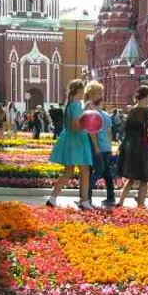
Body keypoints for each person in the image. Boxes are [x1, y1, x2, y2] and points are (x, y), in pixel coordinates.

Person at [46, 79, 93, 210]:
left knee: (68, 171)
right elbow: (75, 126)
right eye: (83, 90)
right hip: (77, 141)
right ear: (79, 90)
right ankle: (84, 201)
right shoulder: (77, 105)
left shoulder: (70, 104)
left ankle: (52, 198)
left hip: (69, 139)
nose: (84, 93)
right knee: (85, 171)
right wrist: (87, 125)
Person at [117, 85, 148, 208]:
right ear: (146, 97)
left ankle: (120, 201)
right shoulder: (147, 111)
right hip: (142, 147)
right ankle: (141, 204)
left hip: (130, 146)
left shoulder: (131, 110)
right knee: (144, 178)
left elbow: (124, 129)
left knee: (131, 178)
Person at [83, 81, 116, 209]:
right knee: (99, 170)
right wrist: (97, 146)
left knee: (107, 172)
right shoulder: (88, 108)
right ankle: (87, 196)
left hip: (104, 146)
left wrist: (109, 145)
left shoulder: (101, 110)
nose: (101, 95)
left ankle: (110, 197)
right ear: (92, 93)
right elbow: (91, 131)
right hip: (95, 145)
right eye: (99, 92)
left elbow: (108, 130)